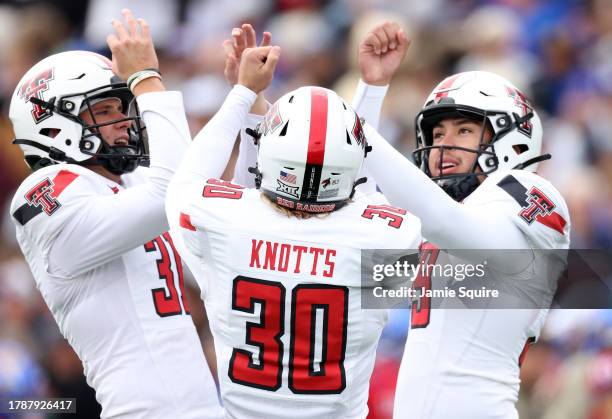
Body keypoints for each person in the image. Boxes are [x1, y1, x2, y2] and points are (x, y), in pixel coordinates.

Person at [165, 41, 422, 418]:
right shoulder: (386, 236)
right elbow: (360, 190)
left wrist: (243, 94)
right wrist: (370, 93)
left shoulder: (226, 222)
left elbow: (185, 181)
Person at [9, 9, 221, 419]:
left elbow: (193, 183)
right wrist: (147, 79)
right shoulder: (42, 192)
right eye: (105, 111)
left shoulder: (127, 185)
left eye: (123, 108)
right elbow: (172, 190)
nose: (125, 123)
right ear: (53, 126)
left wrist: (246, 98)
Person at [351, 22, 571, 419]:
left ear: (513, 140)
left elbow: (451, 226)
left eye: (465, 130)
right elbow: (359, 202)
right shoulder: (444, 213)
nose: (442, 145)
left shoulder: (533, 195)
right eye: (436, 134)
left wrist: (355, 131)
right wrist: (372, 88)